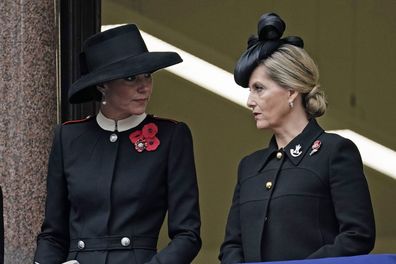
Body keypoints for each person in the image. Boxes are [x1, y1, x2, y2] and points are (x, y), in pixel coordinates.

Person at [34, 24, 201, 264]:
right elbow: (53, 234)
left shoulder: (172, 136)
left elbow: (188, 235)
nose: (144, 86)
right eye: (131, 77)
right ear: (103, 85)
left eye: (148, 76)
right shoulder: (68, 137)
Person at [219, 13, 375, 263]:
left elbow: (358, 236)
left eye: (259, 88)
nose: (250, 101)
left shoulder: (334, 152)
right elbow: (231, 247)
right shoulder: (249, 167)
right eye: (250, 90)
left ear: (291, 90)